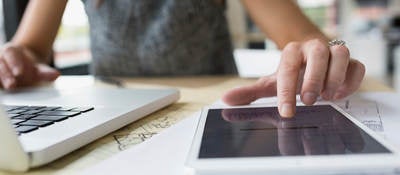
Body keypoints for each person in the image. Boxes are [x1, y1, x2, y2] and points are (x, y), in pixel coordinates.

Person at [0, 0, 365, 118]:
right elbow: (29, 47)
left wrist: (320, 51)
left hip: (216, 113)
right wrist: (14, 57)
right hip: (112, 115)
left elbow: (303, 37)